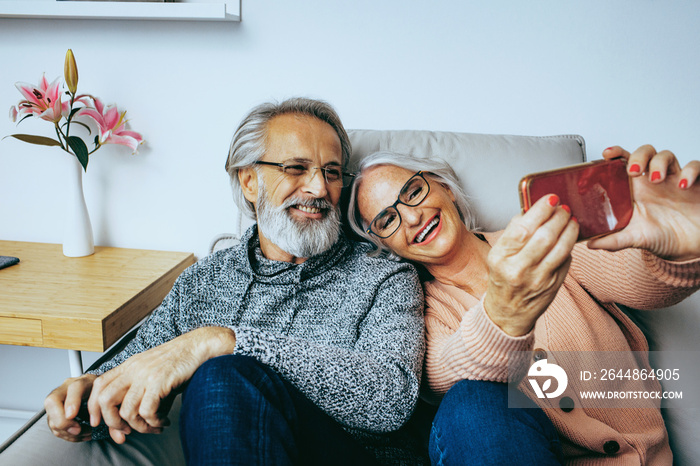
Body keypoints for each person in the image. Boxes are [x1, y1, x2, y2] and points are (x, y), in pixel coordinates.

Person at [34, 98, 425, 465]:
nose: (319, 188)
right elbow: (132, 372)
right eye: (296, 168)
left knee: (221, 373)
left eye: (332, 172)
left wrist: (224, 342)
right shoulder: (205, 283)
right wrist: (83, 400)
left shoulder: (384, 275)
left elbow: (390, 397)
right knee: (218, 376)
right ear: (249, 182)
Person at [348, 145, 700, 465]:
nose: (411, 218)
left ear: (446, 188)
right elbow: (454, 373)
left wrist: (678, 248)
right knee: (473, 402)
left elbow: (637, 281)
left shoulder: (545, 238)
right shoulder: (413, 316)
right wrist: (506, 308)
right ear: (385, 245)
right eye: (387, 220)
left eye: (412, 192)